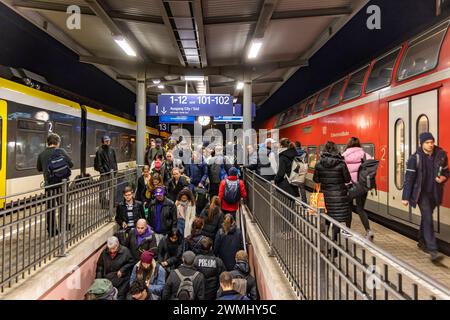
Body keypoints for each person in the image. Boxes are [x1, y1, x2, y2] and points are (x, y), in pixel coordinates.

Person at [402, 132, 449, 262]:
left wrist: (443, 177)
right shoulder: (415, 158)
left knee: (426, 217)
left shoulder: (441, 155)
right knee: (428, 217)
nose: (430, 145)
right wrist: (405, 197)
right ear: (421, 143)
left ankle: (421, 241)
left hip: (435, 192)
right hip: (421, 194)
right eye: (427, 142)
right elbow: (409, 178)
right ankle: (433, 250)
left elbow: (446, 171)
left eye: (432, 142)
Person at [313, 141, 352, 240]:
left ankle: (325, 241)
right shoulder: (341, 163)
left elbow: (316, 180)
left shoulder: (319, 163)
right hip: (339, 197)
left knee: (326, 219)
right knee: (336, 221)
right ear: (336, 150)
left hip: (325, 197)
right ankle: (334, 246)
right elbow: (347, 179)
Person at [36, 133, 74, 237]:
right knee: (63, 205)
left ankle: (52, 230)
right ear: (57, 142)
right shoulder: (61, 151)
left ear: (48, 142)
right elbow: (71, 164)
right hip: (62, 184)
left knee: (50, 208)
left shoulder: (42, 154)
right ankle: (64, 225)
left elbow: (39, 168)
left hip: (49, 186)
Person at [342, 137, 374, 241]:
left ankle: (347, 230)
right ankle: (369, 231)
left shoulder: (344, 156)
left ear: (349, 144)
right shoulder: (366, 155)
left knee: (348, 208)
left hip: (349, 186)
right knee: (360, 209)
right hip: (362, 186)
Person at [94, 135, 118, 208]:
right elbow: (99, 163)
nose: (108, 142)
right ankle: (104, 204)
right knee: (103, 189)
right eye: (106, 141)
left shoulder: (112, 150)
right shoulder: (99, 151)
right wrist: (103, 172)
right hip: (105, 174)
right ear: (103, 142)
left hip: (112, 173)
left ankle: (113, 203)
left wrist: (116, 170)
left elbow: (114, 161)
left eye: (108, 141)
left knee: (113, 189)